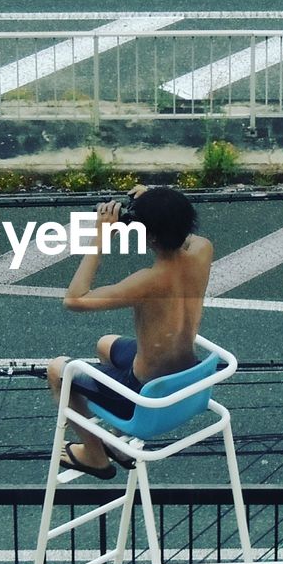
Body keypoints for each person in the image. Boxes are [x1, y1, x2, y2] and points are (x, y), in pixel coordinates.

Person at [47, 184, 212, 479]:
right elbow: (180, 228)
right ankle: (119, 443)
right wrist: (155, 202)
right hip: (188, 378)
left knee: (58, 370)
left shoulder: (148, 281)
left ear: (148, 236)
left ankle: (95, 456)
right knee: (104, 344)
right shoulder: (203, 250)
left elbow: (75, 299)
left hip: (145, 395)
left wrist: (100, 236)